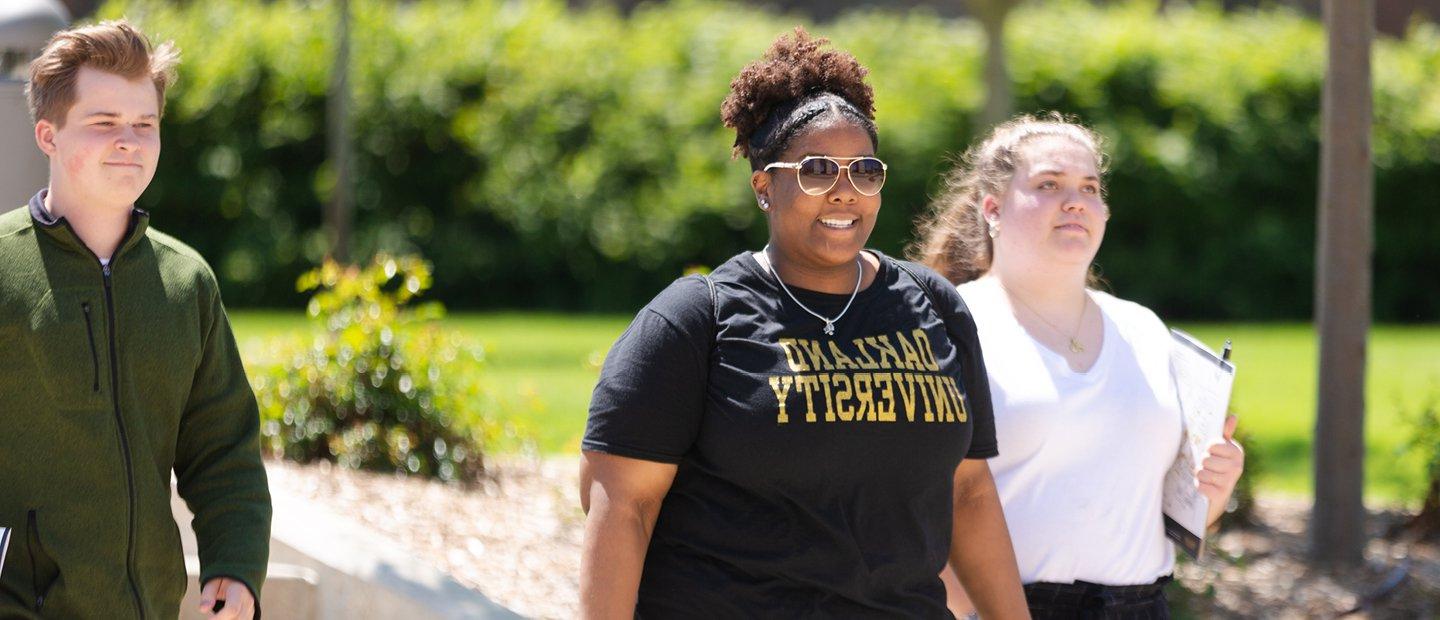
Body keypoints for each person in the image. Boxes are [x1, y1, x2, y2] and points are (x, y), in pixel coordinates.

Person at [578, 28, 1029, 619]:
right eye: (818, 170)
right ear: (765, 186)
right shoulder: (694, 321)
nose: (846, 192)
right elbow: (622, 508)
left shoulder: (935, 307)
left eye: (865, 171)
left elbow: (968, 493)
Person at [913, 114, 1245, 618]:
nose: (1075, 201)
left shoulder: (1143, 329)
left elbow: (1162, 507)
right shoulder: (949, 326)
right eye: (1049, 184)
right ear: (992, 208)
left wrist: (1213, 492)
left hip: (1145, 605)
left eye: (1089, 188)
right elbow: (911, 509)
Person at [0, 20, 271, 619]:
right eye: (103, 123)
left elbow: (222, 448)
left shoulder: (186, 282)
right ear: (48, 134)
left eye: (144, 124)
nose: (129, 140)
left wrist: (235, 566)